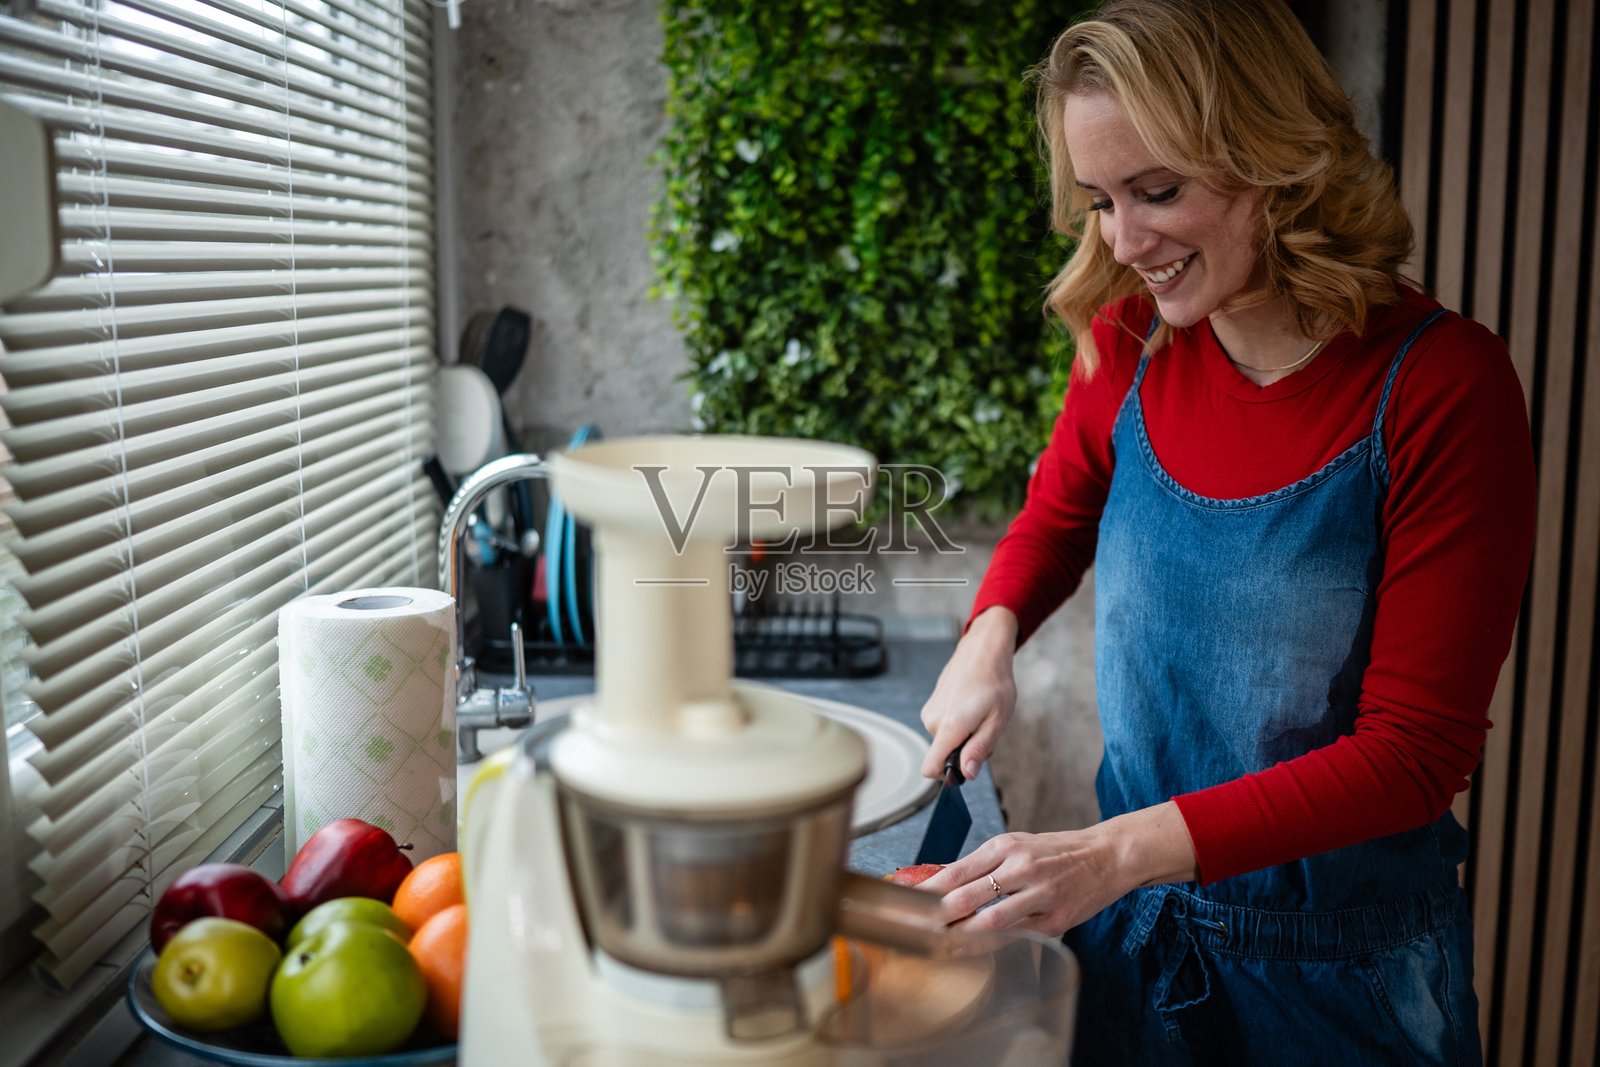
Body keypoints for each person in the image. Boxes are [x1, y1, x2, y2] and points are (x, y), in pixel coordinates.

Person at [913, 1, 1536, 1063]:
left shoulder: (1441, 387)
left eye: (1158, 191)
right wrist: (989, 635)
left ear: (1279, 163)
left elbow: (1410, 758)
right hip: (1136, 942)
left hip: (1342, 981)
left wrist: (1111, 853)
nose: (1123, 240)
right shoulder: (1128, 334)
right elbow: (1058, 512)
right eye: (1102, 199)